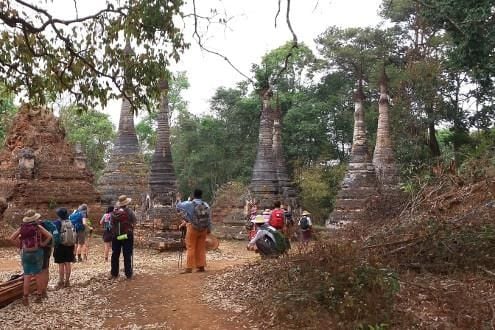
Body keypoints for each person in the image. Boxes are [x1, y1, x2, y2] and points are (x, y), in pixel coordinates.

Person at [9, 209, 52, 305]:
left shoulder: (22, 228)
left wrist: (19, 246)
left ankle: (25, 297)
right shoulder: (38, 227)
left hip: (25, 253)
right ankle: (39, 296)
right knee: (38, 274)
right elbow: (49, 236)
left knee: (27, 275)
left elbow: (11, 238)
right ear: (35, 218)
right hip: (37, 252)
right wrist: (43, 244)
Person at [176, 189, 212, 274]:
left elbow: (178, 206)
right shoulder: (206, 204)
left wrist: (179, 199)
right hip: (203, 229)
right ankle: (201, 266)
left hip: (193, 228)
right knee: (201, 247)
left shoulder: (189, 204)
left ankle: (189, 267)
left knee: (191, 247)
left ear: (193, 195)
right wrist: (209, 229)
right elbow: (209, 218)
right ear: (201, 195)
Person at [109, 195, 137, 280]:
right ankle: (128, 274)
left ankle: (114, 273)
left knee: (115, 254)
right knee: (127, 254)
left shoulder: (114, 212)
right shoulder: (130, 211)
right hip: (127, 236)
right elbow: (135, 222)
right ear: (126, 203)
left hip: (116, 236)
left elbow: (111, 224)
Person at [52, 207, 75, 289]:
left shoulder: (57, 222)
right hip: (70, 245)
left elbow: (54, 234)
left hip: (60, 245)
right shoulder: (70, 222)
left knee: (61, 264)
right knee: (68, 263)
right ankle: (67, 281)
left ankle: (61, 282)